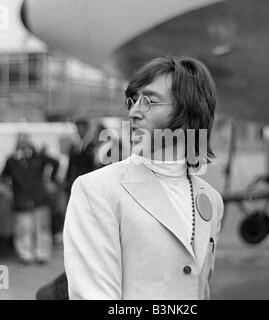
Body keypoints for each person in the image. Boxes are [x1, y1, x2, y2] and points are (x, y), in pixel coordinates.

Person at [64, 56, 224, 300]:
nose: (134, 111)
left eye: (149, 101)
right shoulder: (96, 190)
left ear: (189, 109)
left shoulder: (211, 200)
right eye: (133, 100)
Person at [0, 133, 59, 264]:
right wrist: (8, 189)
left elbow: (55, 162)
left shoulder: (39, 157)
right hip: (22, 199)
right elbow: (4, 177)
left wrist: (51, 180)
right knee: (23, 228)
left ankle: (42, 253)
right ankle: (25, 254)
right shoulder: (12, 160)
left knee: (42, 227)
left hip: (39, 198)